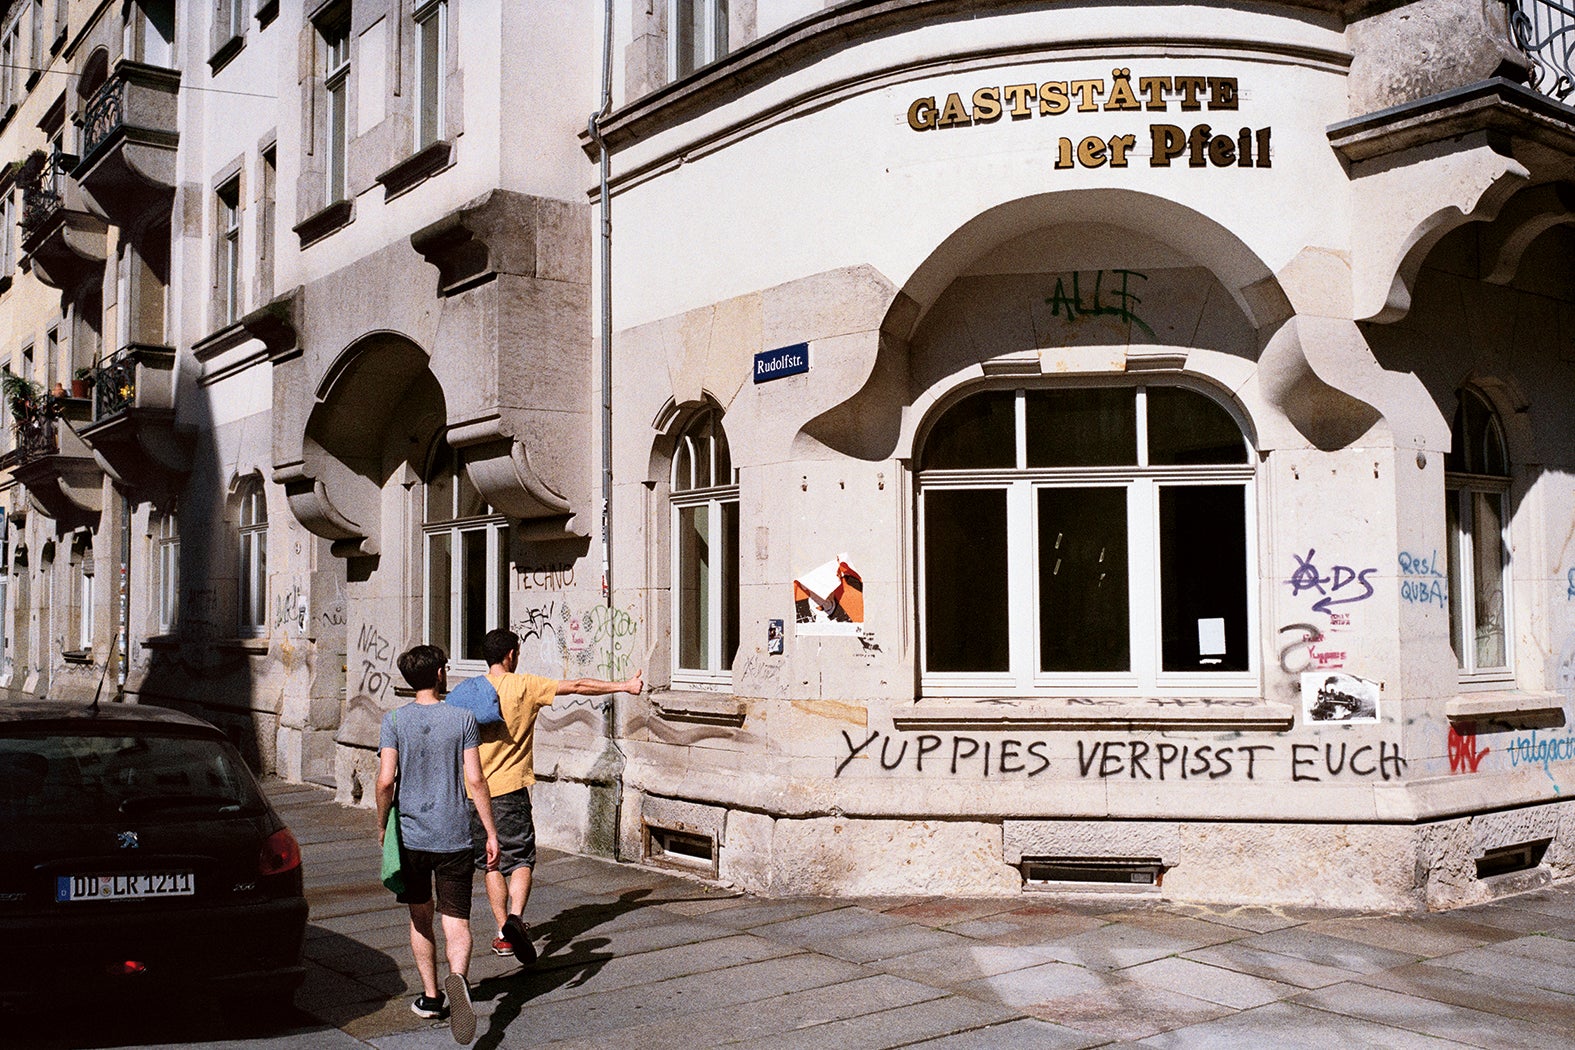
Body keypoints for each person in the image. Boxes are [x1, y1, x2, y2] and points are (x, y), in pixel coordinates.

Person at [460, 627, 643, 962]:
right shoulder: (525, 685)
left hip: (476, 793)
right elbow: (577, 685)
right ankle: (514, 920)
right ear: (511, 655)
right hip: (511, 790)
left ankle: (503, 933)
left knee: (491, 863)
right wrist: (625, 686)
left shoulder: (470, 691)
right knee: (522, 859)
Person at [377, 645, 500, 1045]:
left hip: (412, 836)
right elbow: (476, 781)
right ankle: (458, 980)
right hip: (454, 836)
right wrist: (491, 831)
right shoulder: (462, 718)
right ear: (441, 674)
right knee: (456, 919)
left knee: (420, 915)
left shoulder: (393, 720)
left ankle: (432, 997)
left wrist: (382, 826)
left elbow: (384, 780)